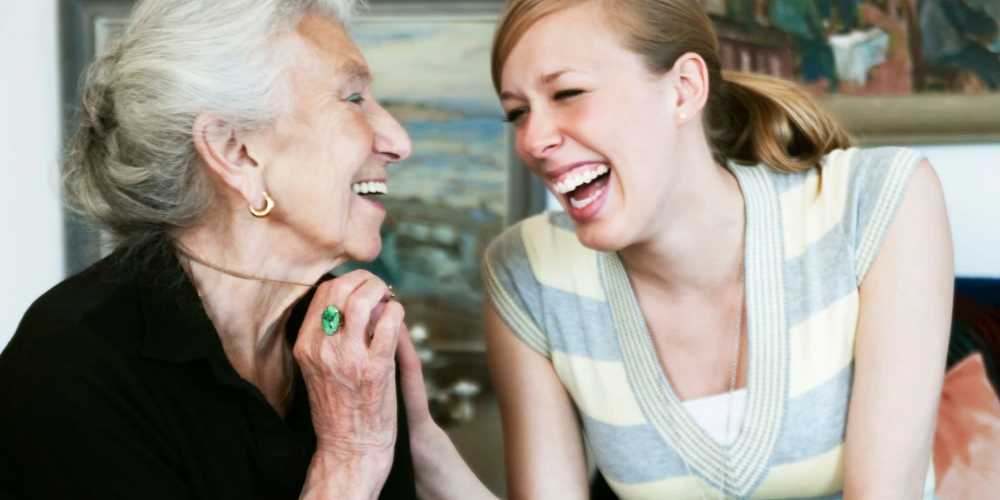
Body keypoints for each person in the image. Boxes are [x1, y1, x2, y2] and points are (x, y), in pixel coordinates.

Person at [0, 1, 495, 499]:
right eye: (353, 98)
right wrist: (349, 459)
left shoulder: (343, 339)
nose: (398, 141)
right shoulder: (72, 368)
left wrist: (417, 443)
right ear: (235, 152)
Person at [482, 0, 953, 499]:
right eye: (517, 113)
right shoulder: (528, 271)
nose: (532, 140)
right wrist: (434, 459)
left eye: (568, 92)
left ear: (684, 89)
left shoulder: (878, 200)